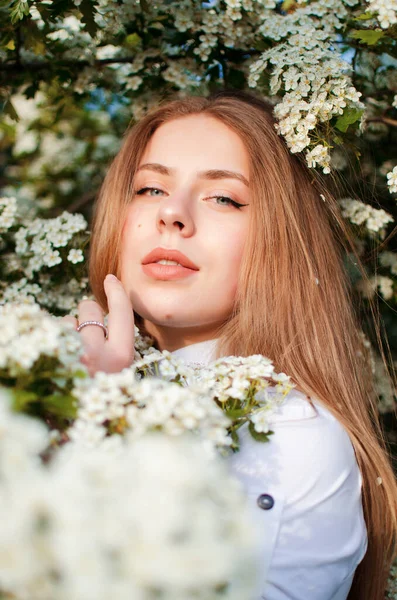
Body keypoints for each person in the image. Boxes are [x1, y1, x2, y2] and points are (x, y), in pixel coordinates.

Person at [64, 90, 397, 599]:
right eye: (150, 188)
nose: (172, 214)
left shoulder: (290, 438)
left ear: (279, 240)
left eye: (224, 198)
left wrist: (94, 428)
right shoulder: (72, 374)